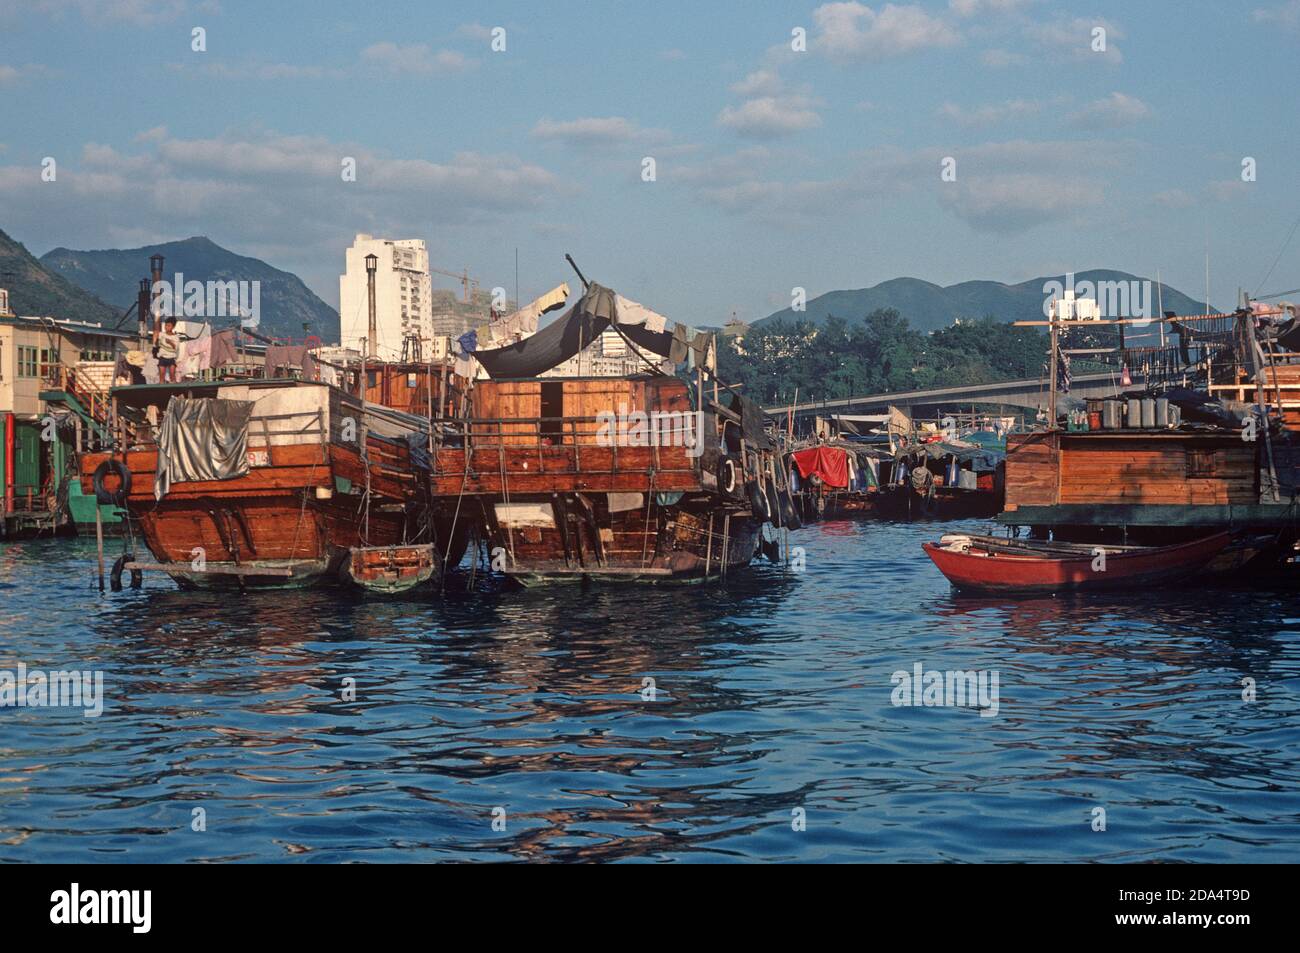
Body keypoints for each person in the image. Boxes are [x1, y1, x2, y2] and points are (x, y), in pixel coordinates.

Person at [156, 317, 180, 383]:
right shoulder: (162, 334)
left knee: (172, 374)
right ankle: (161, 390)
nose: (166, 327)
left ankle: (175, 390)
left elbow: (176, 348)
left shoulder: (176, 337)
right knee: (162, 375)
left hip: (171, 358)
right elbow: (156, 333)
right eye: (166, 325)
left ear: (173, 327)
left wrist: (170, 342)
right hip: (162, 357)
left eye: (169, 326)